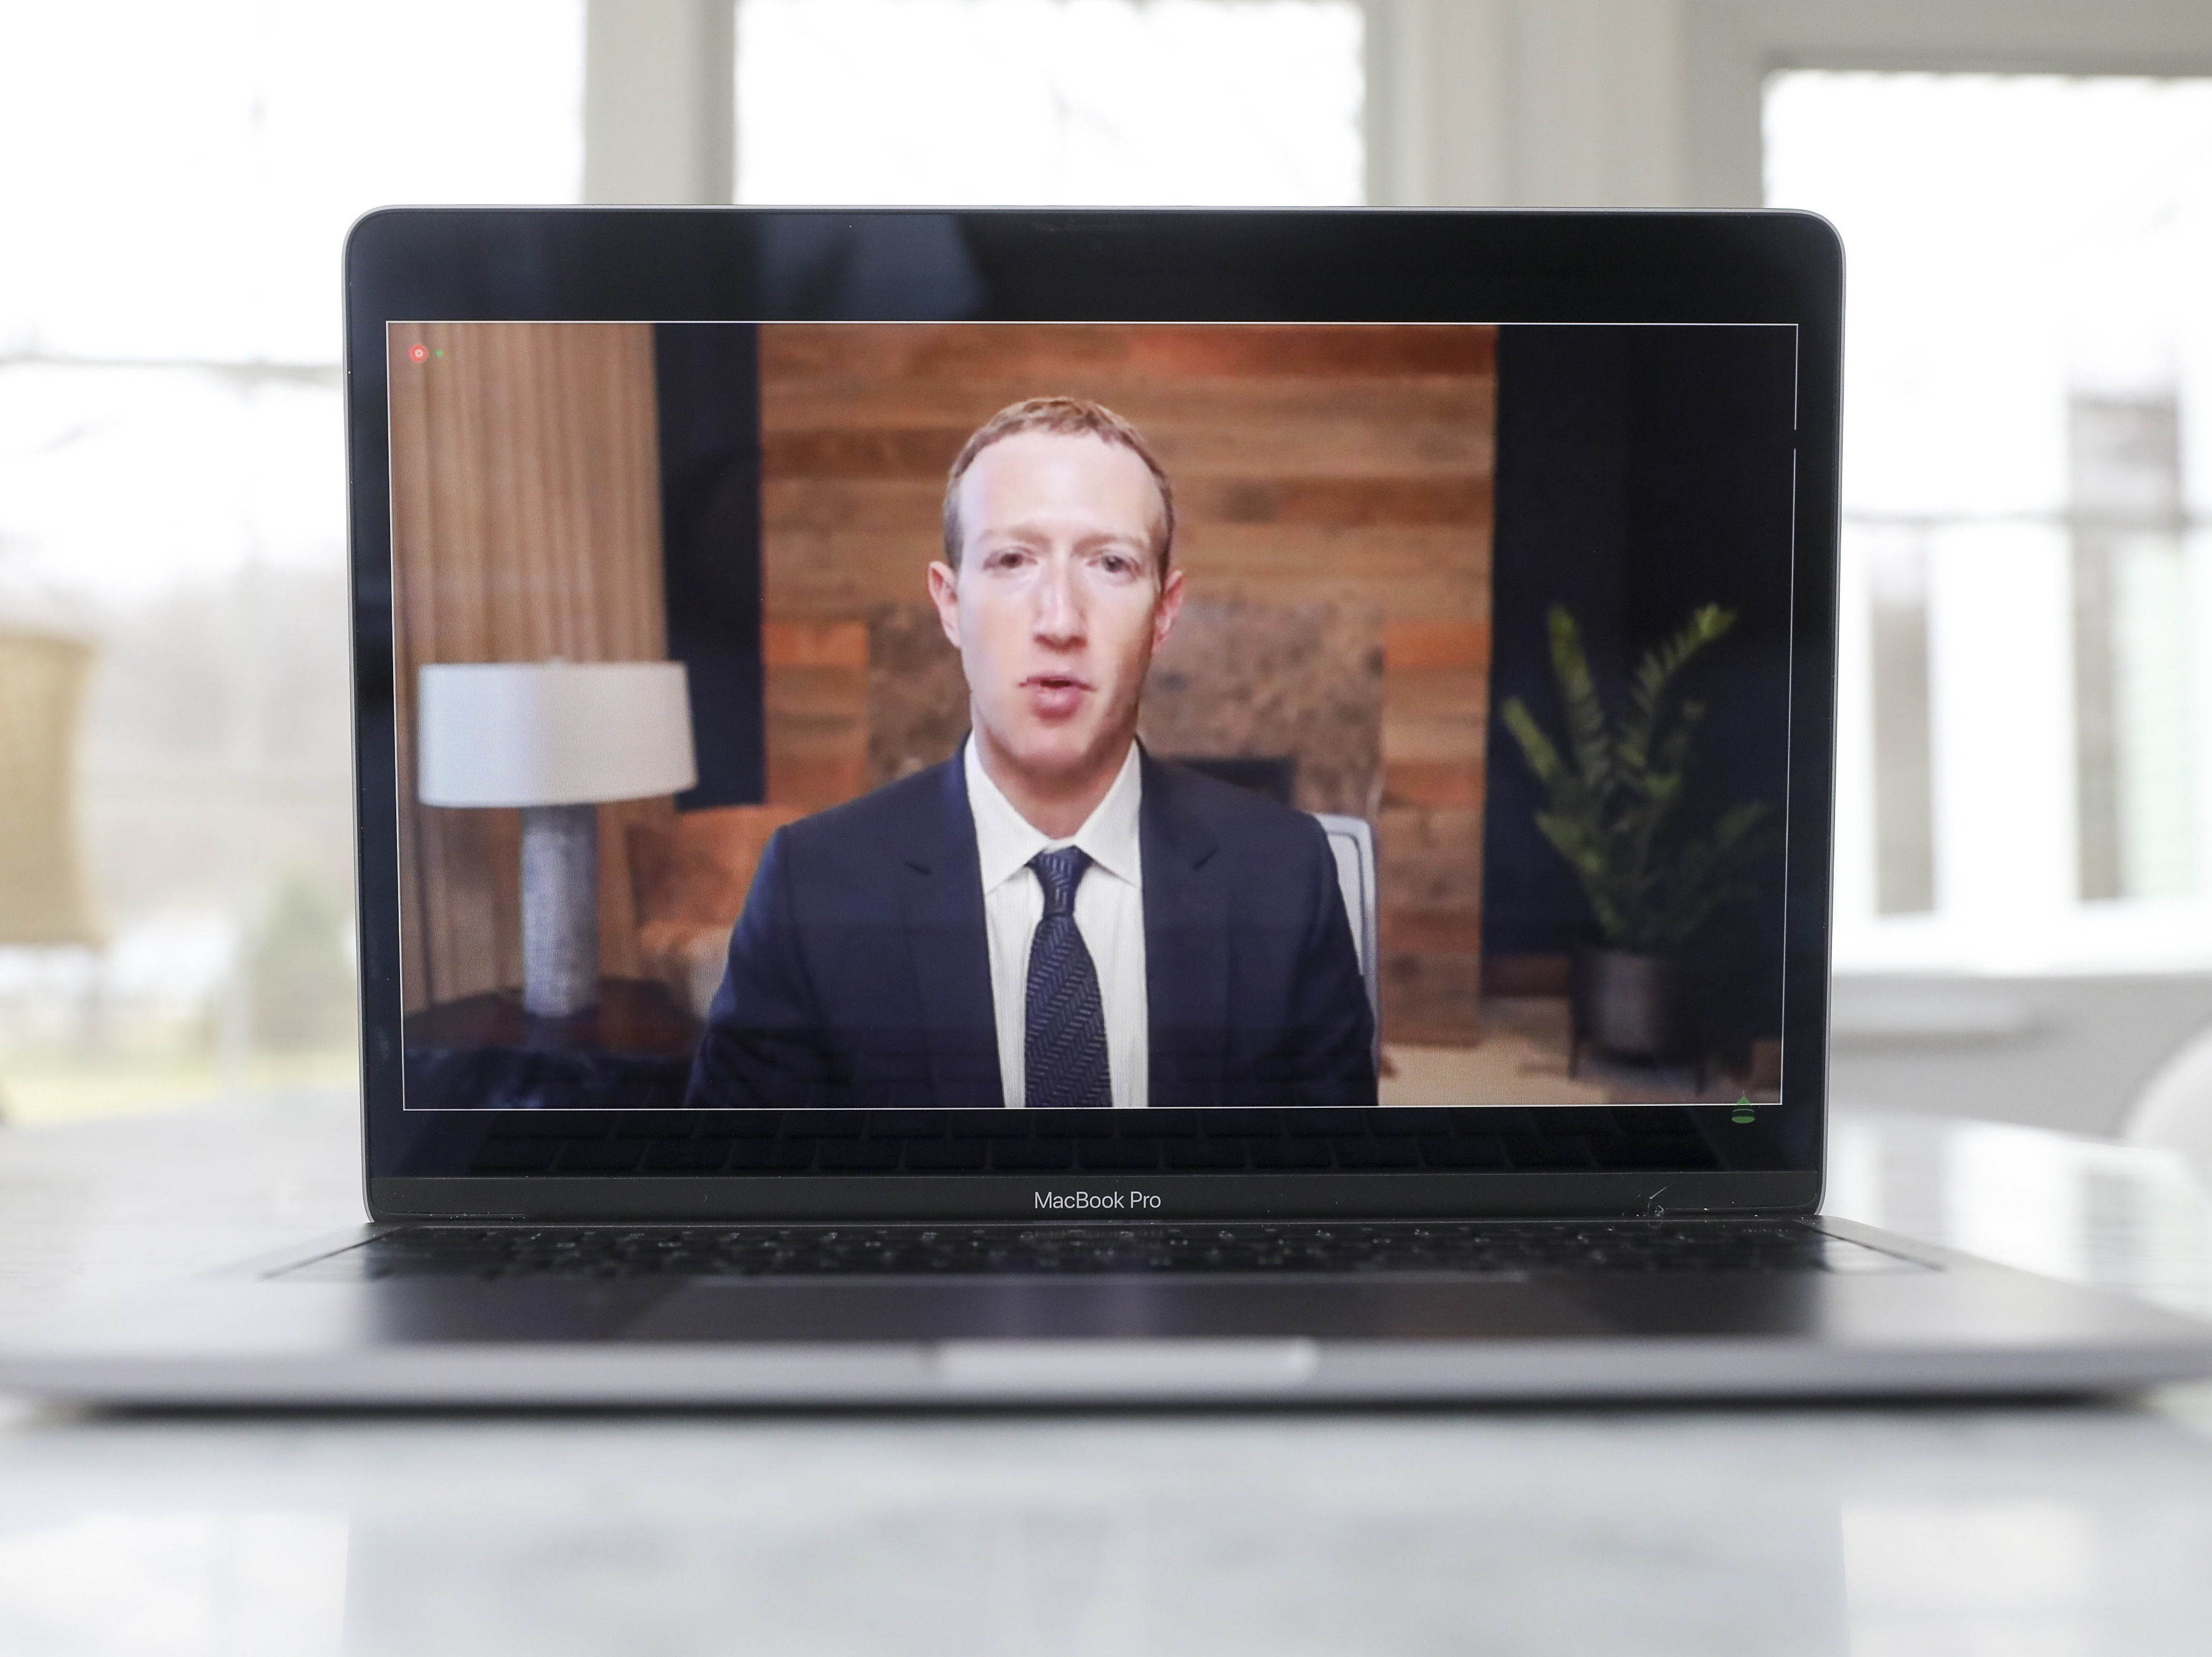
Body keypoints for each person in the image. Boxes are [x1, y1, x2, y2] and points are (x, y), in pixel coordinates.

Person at [687, 396, 1376, 1110]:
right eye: (1012, 560)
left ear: (1164, 613)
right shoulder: (812, 887)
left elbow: (1330, 1192)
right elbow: (743, 1196)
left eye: (1110, 564)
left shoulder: (1286, 874)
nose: (1059, 620)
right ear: (950, 603)